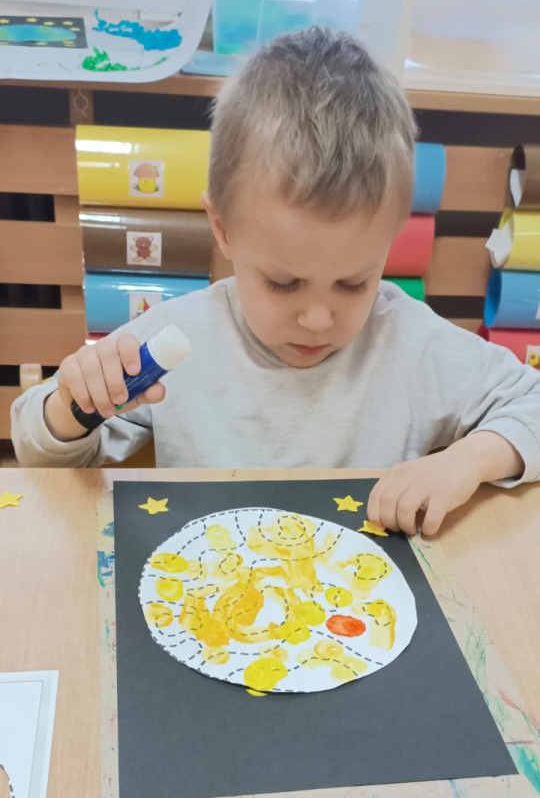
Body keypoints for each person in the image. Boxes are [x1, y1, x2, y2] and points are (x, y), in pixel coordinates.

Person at [11, 28, 540, 534]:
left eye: (354, 283)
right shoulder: (176, 339)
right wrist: (72, 407)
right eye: (285, 283)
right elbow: (40, 451)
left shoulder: (412, 343)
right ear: (224, 229)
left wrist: (468, 460)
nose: (318, 318)